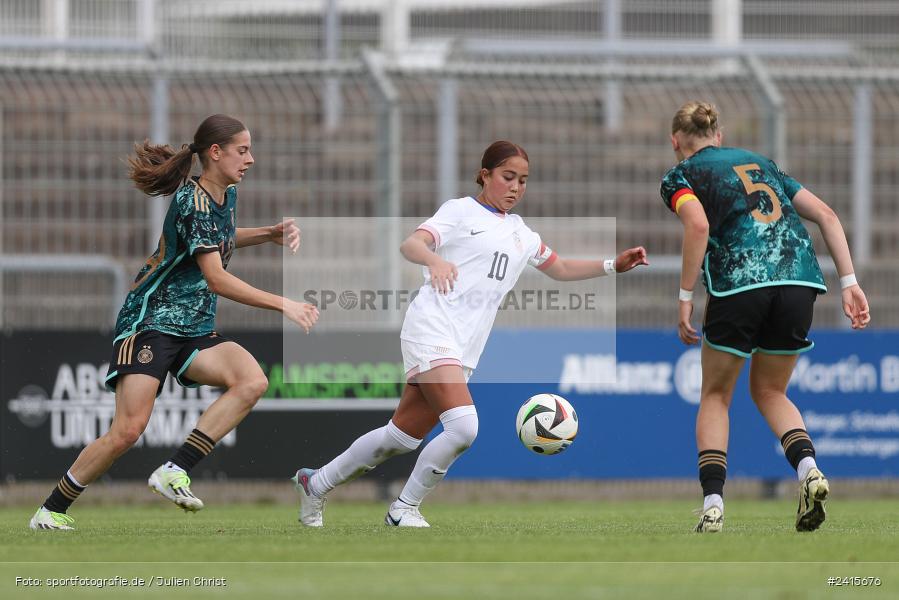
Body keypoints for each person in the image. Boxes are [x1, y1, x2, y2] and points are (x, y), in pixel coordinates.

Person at [291, 140, 648, 527]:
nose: (516, 187)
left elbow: (559, 268)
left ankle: (315, 483)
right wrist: (434, 260)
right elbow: (411, 244)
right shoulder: (460, 211)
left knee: (400, 438)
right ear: (485, 175)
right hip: (431, 327)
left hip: (462, 347)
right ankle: (404, 508)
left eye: (523, 180)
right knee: (463, 427)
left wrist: (612, 265)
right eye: (508, 177)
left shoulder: (522, 234)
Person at [29, 114, 320, 531]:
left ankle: (174, 469)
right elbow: (216, 278)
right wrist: (284, 304)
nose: (250, 159)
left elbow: (217, 237)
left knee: (251, 381)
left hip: (194, 327)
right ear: (215, 153)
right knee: (127, 431)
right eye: (242, 150)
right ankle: (50, 510)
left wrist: (266, 233)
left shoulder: (227, 194)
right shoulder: (191, 201)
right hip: (151, 322)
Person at [661, 101, 871, 533]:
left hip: (742, 282)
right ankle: (809, 470)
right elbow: (827, 215)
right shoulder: (761, 163)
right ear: (719, 136)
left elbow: (697, 226)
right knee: (772, 391)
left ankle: (713, 505)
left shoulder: (681, 175)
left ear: (675, 141)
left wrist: (684, 296)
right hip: (799, 280)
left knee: (716, 395)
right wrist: (849, 282)